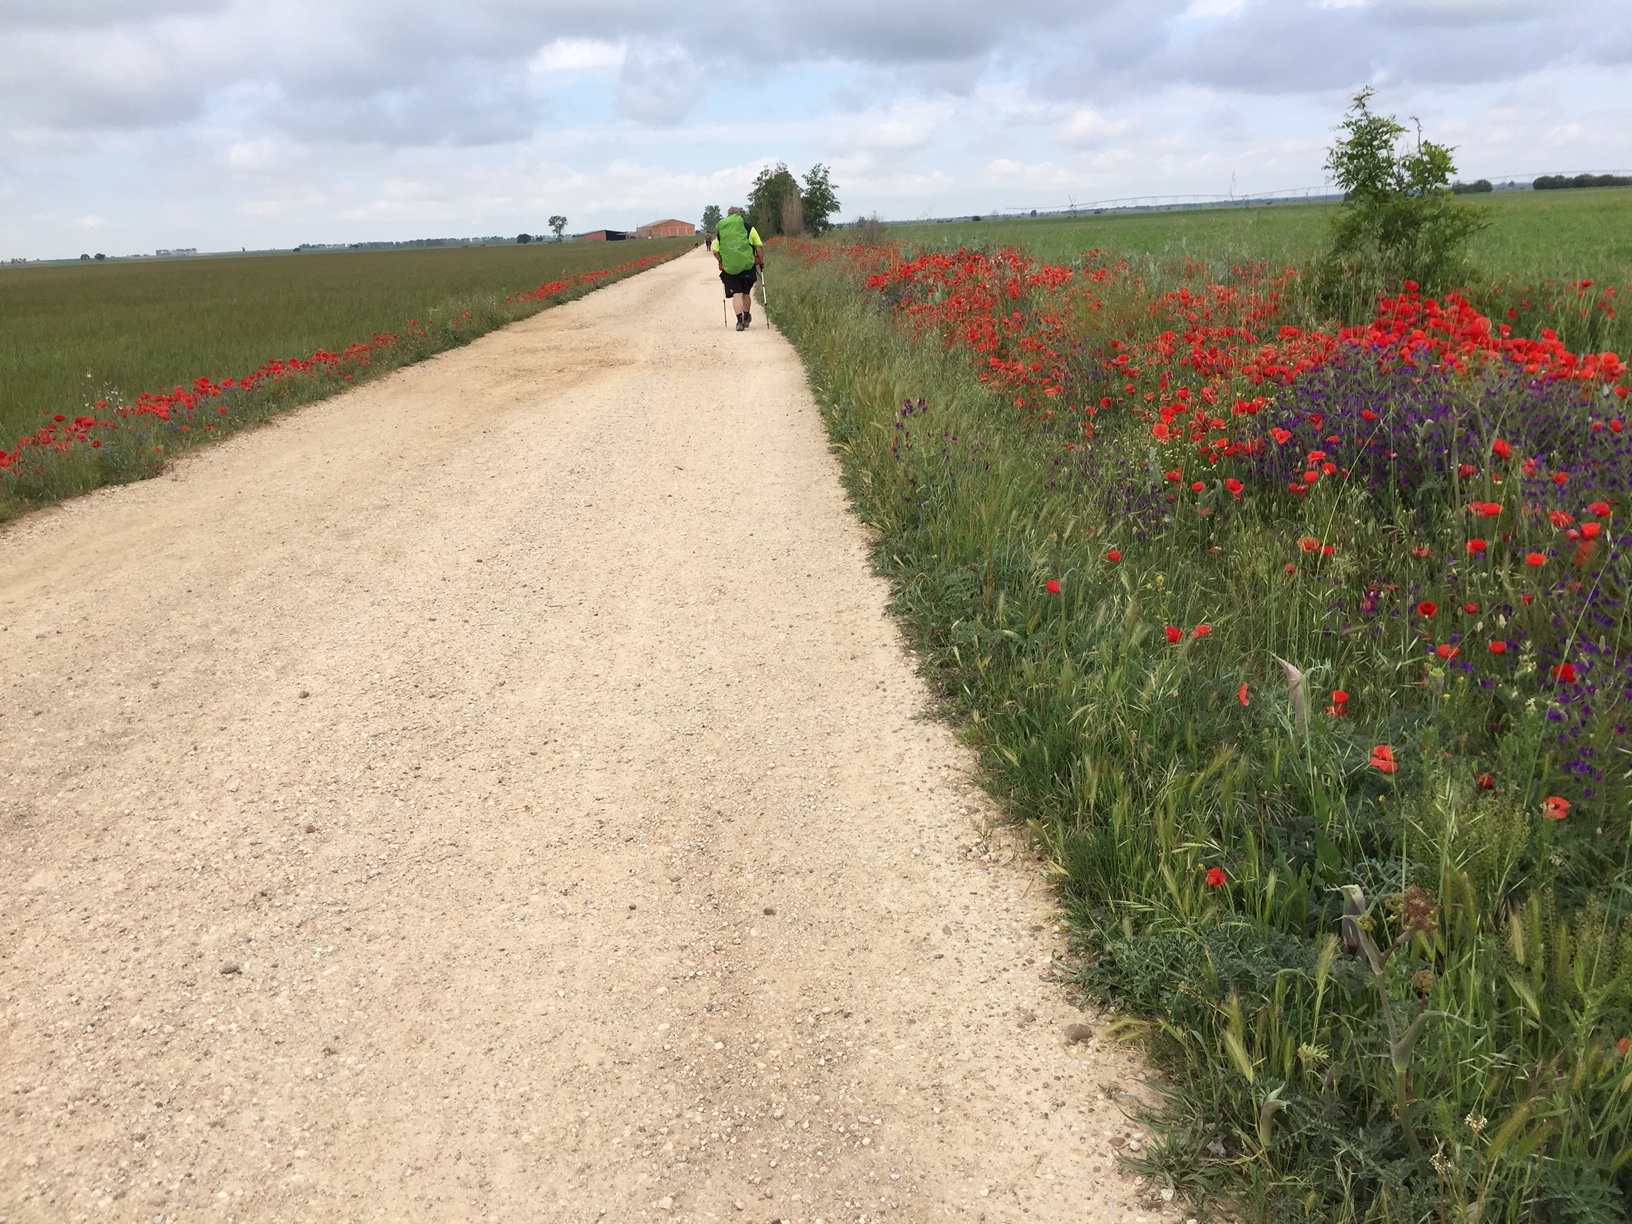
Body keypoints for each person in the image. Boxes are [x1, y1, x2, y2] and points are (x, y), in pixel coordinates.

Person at [711, 207, 763, 331]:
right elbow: (759, 246)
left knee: (737, 294)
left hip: (729, 268)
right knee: (746, 293)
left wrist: (721, 261)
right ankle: (746, 316)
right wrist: (761, 261)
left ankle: (739, 322)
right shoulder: (748, 228)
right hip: (747, 266)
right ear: (739, 215)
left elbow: (715, 251)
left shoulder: (722, 231)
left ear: (728, 216)